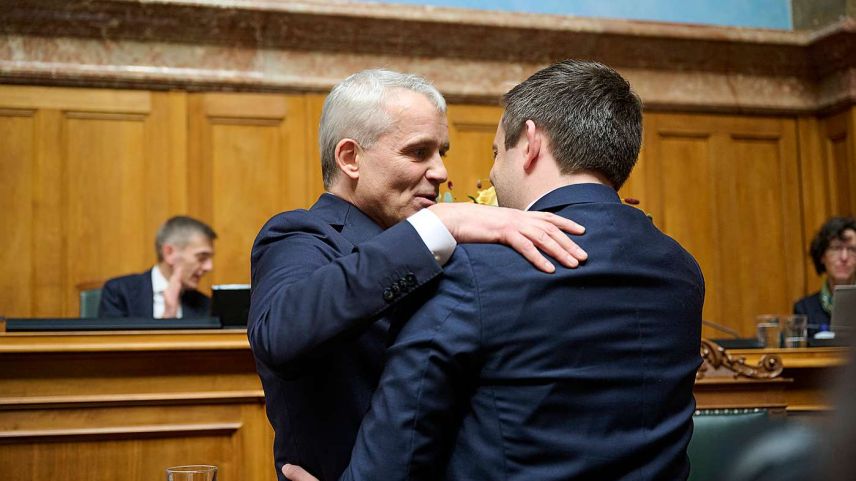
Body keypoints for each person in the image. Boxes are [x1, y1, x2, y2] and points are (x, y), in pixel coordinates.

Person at [284, 60, 705, 481]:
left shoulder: (474, 270)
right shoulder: (680, 268)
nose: (490, 172)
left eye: (497, 152)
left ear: (531, 143)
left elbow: (401, 449)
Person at [248, 69, 590, 481]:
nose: (441, 171)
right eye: (418, 152)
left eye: (441, 152)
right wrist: (438, 224)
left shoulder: (445, 246)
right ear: (350, 158)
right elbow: (280, 332)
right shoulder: (300, 234)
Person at [98, 215, 216, 318]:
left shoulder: (206, 305)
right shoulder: (119, 292)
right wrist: (169, 314)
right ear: (169, 253)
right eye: (201, 257)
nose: (209, 267)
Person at [794, 217, 856, 333]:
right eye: (836, 248)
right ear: (822, 256)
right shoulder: (804, 309)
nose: (844, 257)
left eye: (852, 249)